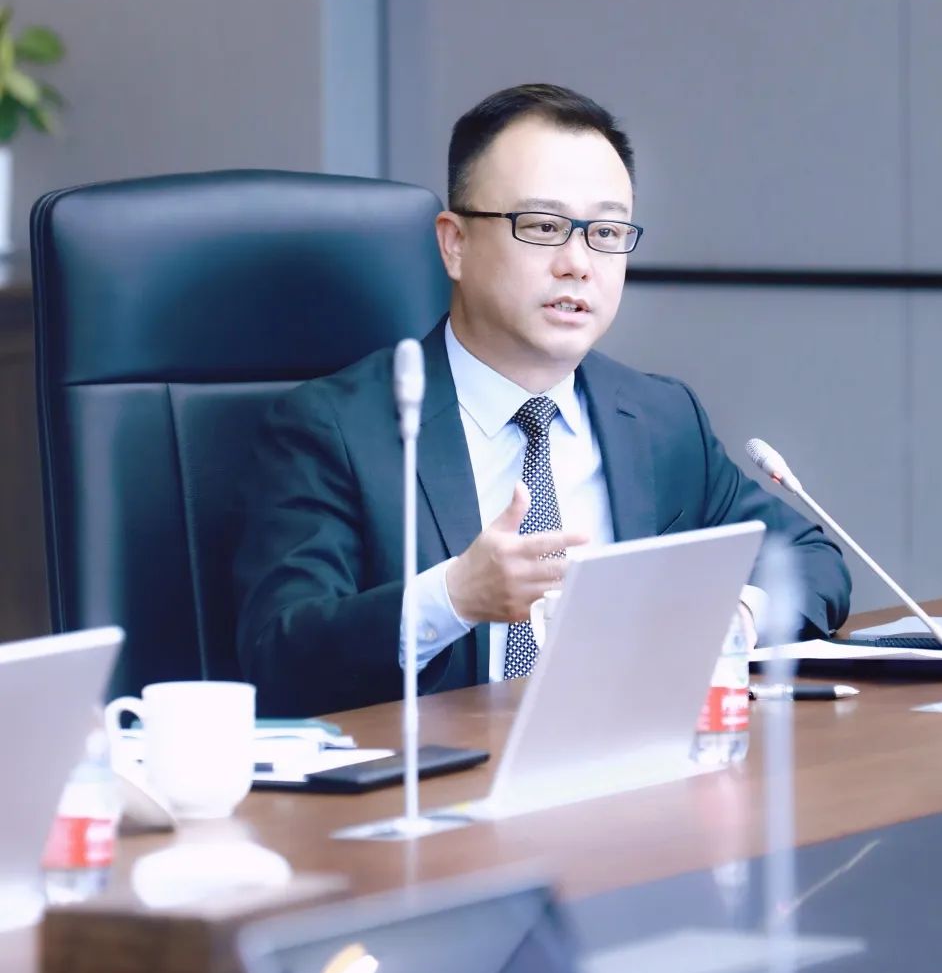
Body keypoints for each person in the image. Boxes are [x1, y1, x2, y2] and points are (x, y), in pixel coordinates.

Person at [233, 83, 851, 717]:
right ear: (455, 244)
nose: (578, 263)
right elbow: (277, 658)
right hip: (445, 770)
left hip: (631, 757)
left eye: (605, 231)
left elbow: (810, 561)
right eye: (544, 226)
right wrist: (454, 597)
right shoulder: (337, 429)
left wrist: (733, 617)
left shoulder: (661, 420)